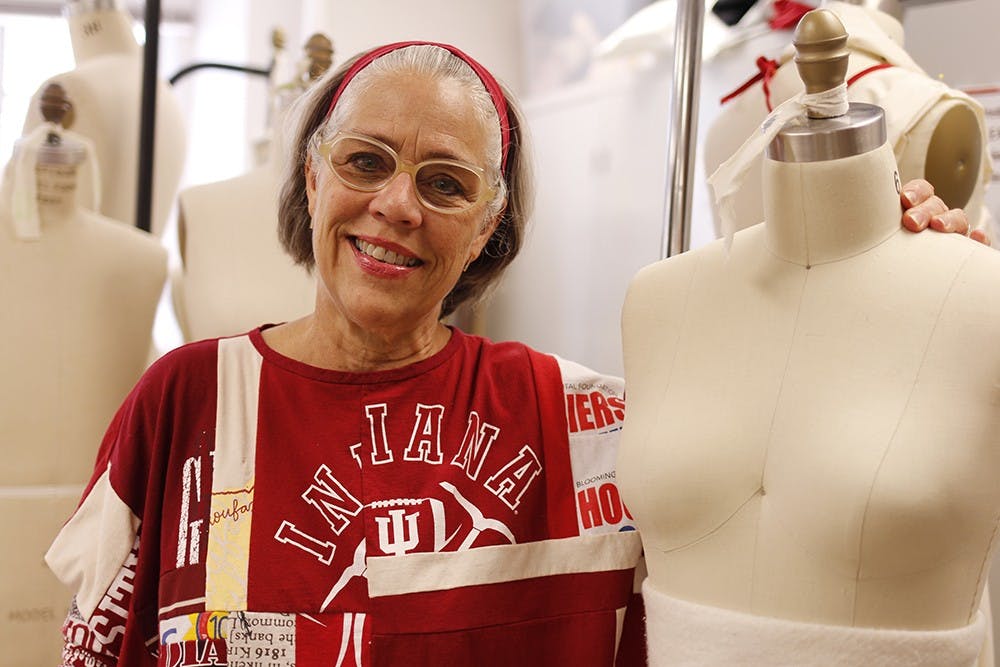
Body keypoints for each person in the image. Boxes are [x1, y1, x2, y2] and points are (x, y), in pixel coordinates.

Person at [44, 40, 978, 667]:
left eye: (445, 183)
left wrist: (897, 278)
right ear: (312, 172)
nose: (398, 205)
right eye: (366, 161)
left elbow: (795, 442)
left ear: (489, 224)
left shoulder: (581, 423)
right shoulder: (188, 404)